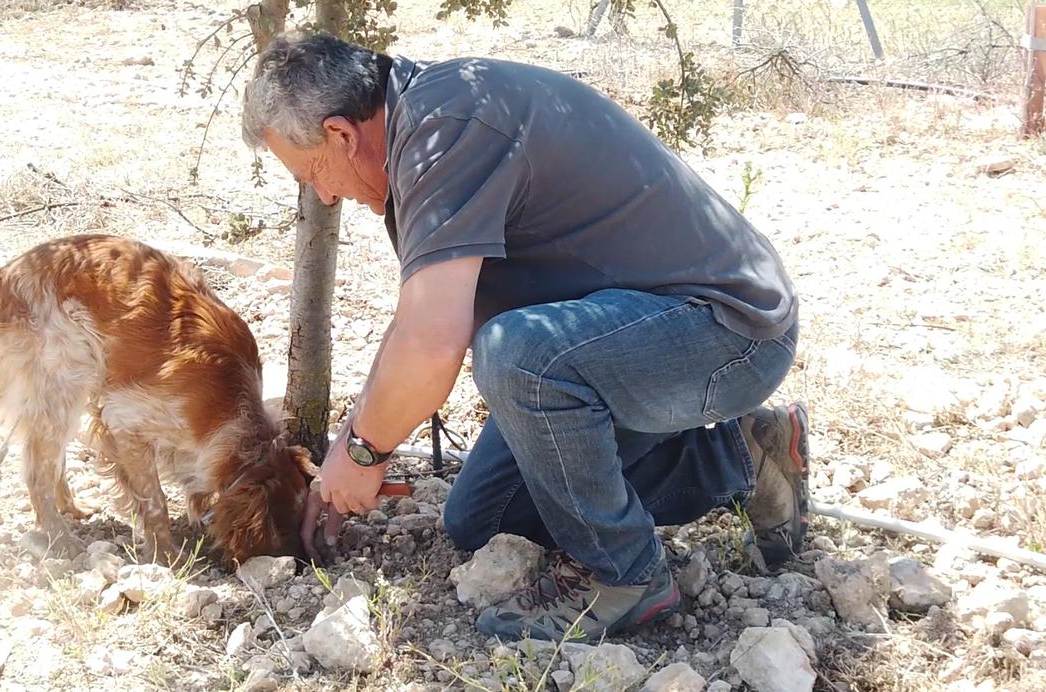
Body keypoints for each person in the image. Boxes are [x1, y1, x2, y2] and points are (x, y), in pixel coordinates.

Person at [239, 30, 810, 644]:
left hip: (727, 329)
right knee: (483, 518)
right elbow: (415, 321)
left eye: (313, 173)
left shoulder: (449, 127)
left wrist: (365, 456)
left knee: (519, 355)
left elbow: (434, 344)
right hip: (629, 338)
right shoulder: (419, 127)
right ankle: (741, 455)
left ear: (341, 135)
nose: (325, 194)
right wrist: (349, 443)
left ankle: (626, 576)